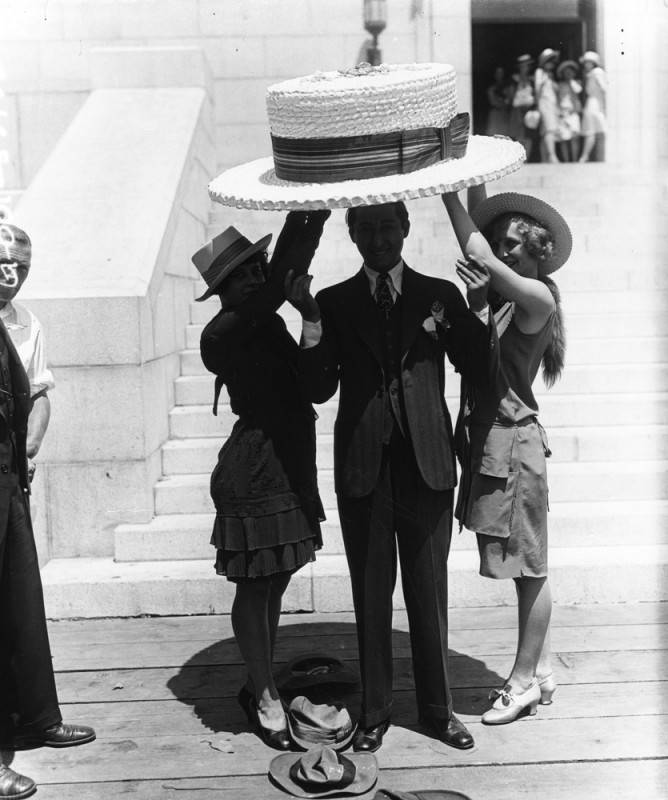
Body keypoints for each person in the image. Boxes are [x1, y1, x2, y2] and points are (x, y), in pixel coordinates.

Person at [287, 201, 492, 753]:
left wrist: (474, 307)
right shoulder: (331, 301)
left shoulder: (438, 296)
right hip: (363, 471)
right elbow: (317, 388)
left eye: (387, 227)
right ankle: (375, 711)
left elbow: (477, 364)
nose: (378, 239)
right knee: (370, 595)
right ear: (352, 235)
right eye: (367, 229)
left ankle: (438, 710)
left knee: (430, 593)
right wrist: (307, 318)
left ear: (406, 229)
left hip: (426, 465)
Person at [196, 210, 329, 750]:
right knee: (255, 584)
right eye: (242, 275)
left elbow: (315, 389)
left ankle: (261, 680)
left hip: (288, 463)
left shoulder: (271, 321)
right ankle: (266, 694)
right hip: (252, 469)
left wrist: (312, 320)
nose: (254, 278)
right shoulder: (219, 333)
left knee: (274, 579)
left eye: (256, 267)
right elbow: (273, 288)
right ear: (223, 291)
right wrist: (311, 213)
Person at [442, 185, 572, 724]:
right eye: (501, 242)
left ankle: (519, 683)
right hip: (495, 445)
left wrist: (447, 190)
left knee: (531, 569)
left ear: (539, 252)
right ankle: (541, 670)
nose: (504, 250)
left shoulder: (538, 299)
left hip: (514, 449)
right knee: (523, 565)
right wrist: (475, 181)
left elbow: (478, 253)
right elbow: (484, 256)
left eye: (515, 245)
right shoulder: (506, 302)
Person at [0, 222, 95, 798]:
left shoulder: (27, 325)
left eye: (21, 267)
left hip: (10, 475)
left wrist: (30, 446)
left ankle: (36, 719)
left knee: (20, 602)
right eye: (1, 263)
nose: (11, 274)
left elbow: (37, 394)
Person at [578, 51, 607, 163]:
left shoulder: (596, 72)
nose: (586, 64)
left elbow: (603, 87)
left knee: (597, 131)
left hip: (595, 103)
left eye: (588, 62)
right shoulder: (594, 73)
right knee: (595, 131)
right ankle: (585, 157)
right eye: (586, 62)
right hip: (594, 103)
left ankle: (587, 157)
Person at [507, 54, 536, 159]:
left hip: (529, 109)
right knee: (518, 134)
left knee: (528, 134)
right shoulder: (514, 79)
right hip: (517, 109)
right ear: (519, 67)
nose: (525, 68)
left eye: (527, 65)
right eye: (523, 65)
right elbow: (510, 94)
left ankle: (526, 158)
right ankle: (519, 158)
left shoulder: (531, 80)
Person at [534, 49, 560, 163]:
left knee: (546, 131)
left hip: (551, 104)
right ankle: (552, 156)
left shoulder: (550, 75)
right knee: (549, 130)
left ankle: (545, 159)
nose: (552, 64)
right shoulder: (539, 72)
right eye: (550, 61)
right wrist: (537, 104)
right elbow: (538, 89)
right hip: (544, 103)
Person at [555, 60, 583, 163]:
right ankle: (566, 161)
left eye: (570, 72)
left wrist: (571, 81)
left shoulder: (576, 83)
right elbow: (558, 99)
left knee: (575, 137)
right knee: (564, 138)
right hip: (563, 112)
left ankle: (575, 160)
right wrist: (558, 111)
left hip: (573, 112)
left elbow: (577, 93)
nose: (568, 74)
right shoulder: (560, 85)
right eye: (566, 72)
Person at [485, 66, 510, 137]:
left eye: (501, 73)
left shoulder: (508, 87)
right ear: (495, 75)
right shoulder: (491, 88)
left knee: (504, 137)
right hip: (495, 113)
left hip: (504, 114)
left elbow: (509, 101)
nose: (500, 75)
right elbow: (493, 101)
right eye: (498, 73)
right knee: (493, 136)